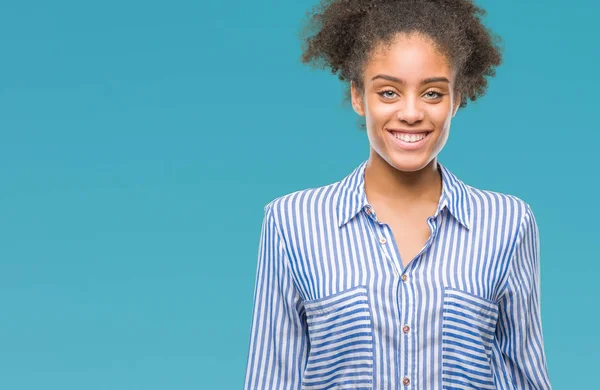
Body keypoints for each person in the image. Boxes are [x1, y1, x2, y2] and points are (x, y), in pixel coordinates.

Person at [243, 0, 552, 389]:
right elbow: (272, 378)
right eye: (388, 92)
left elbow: (524, 377)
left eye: (433, 94)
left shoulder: (508, 223)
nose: (410, 112)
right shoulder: (291, 222)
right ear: (358, 97)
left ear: (457, 98)